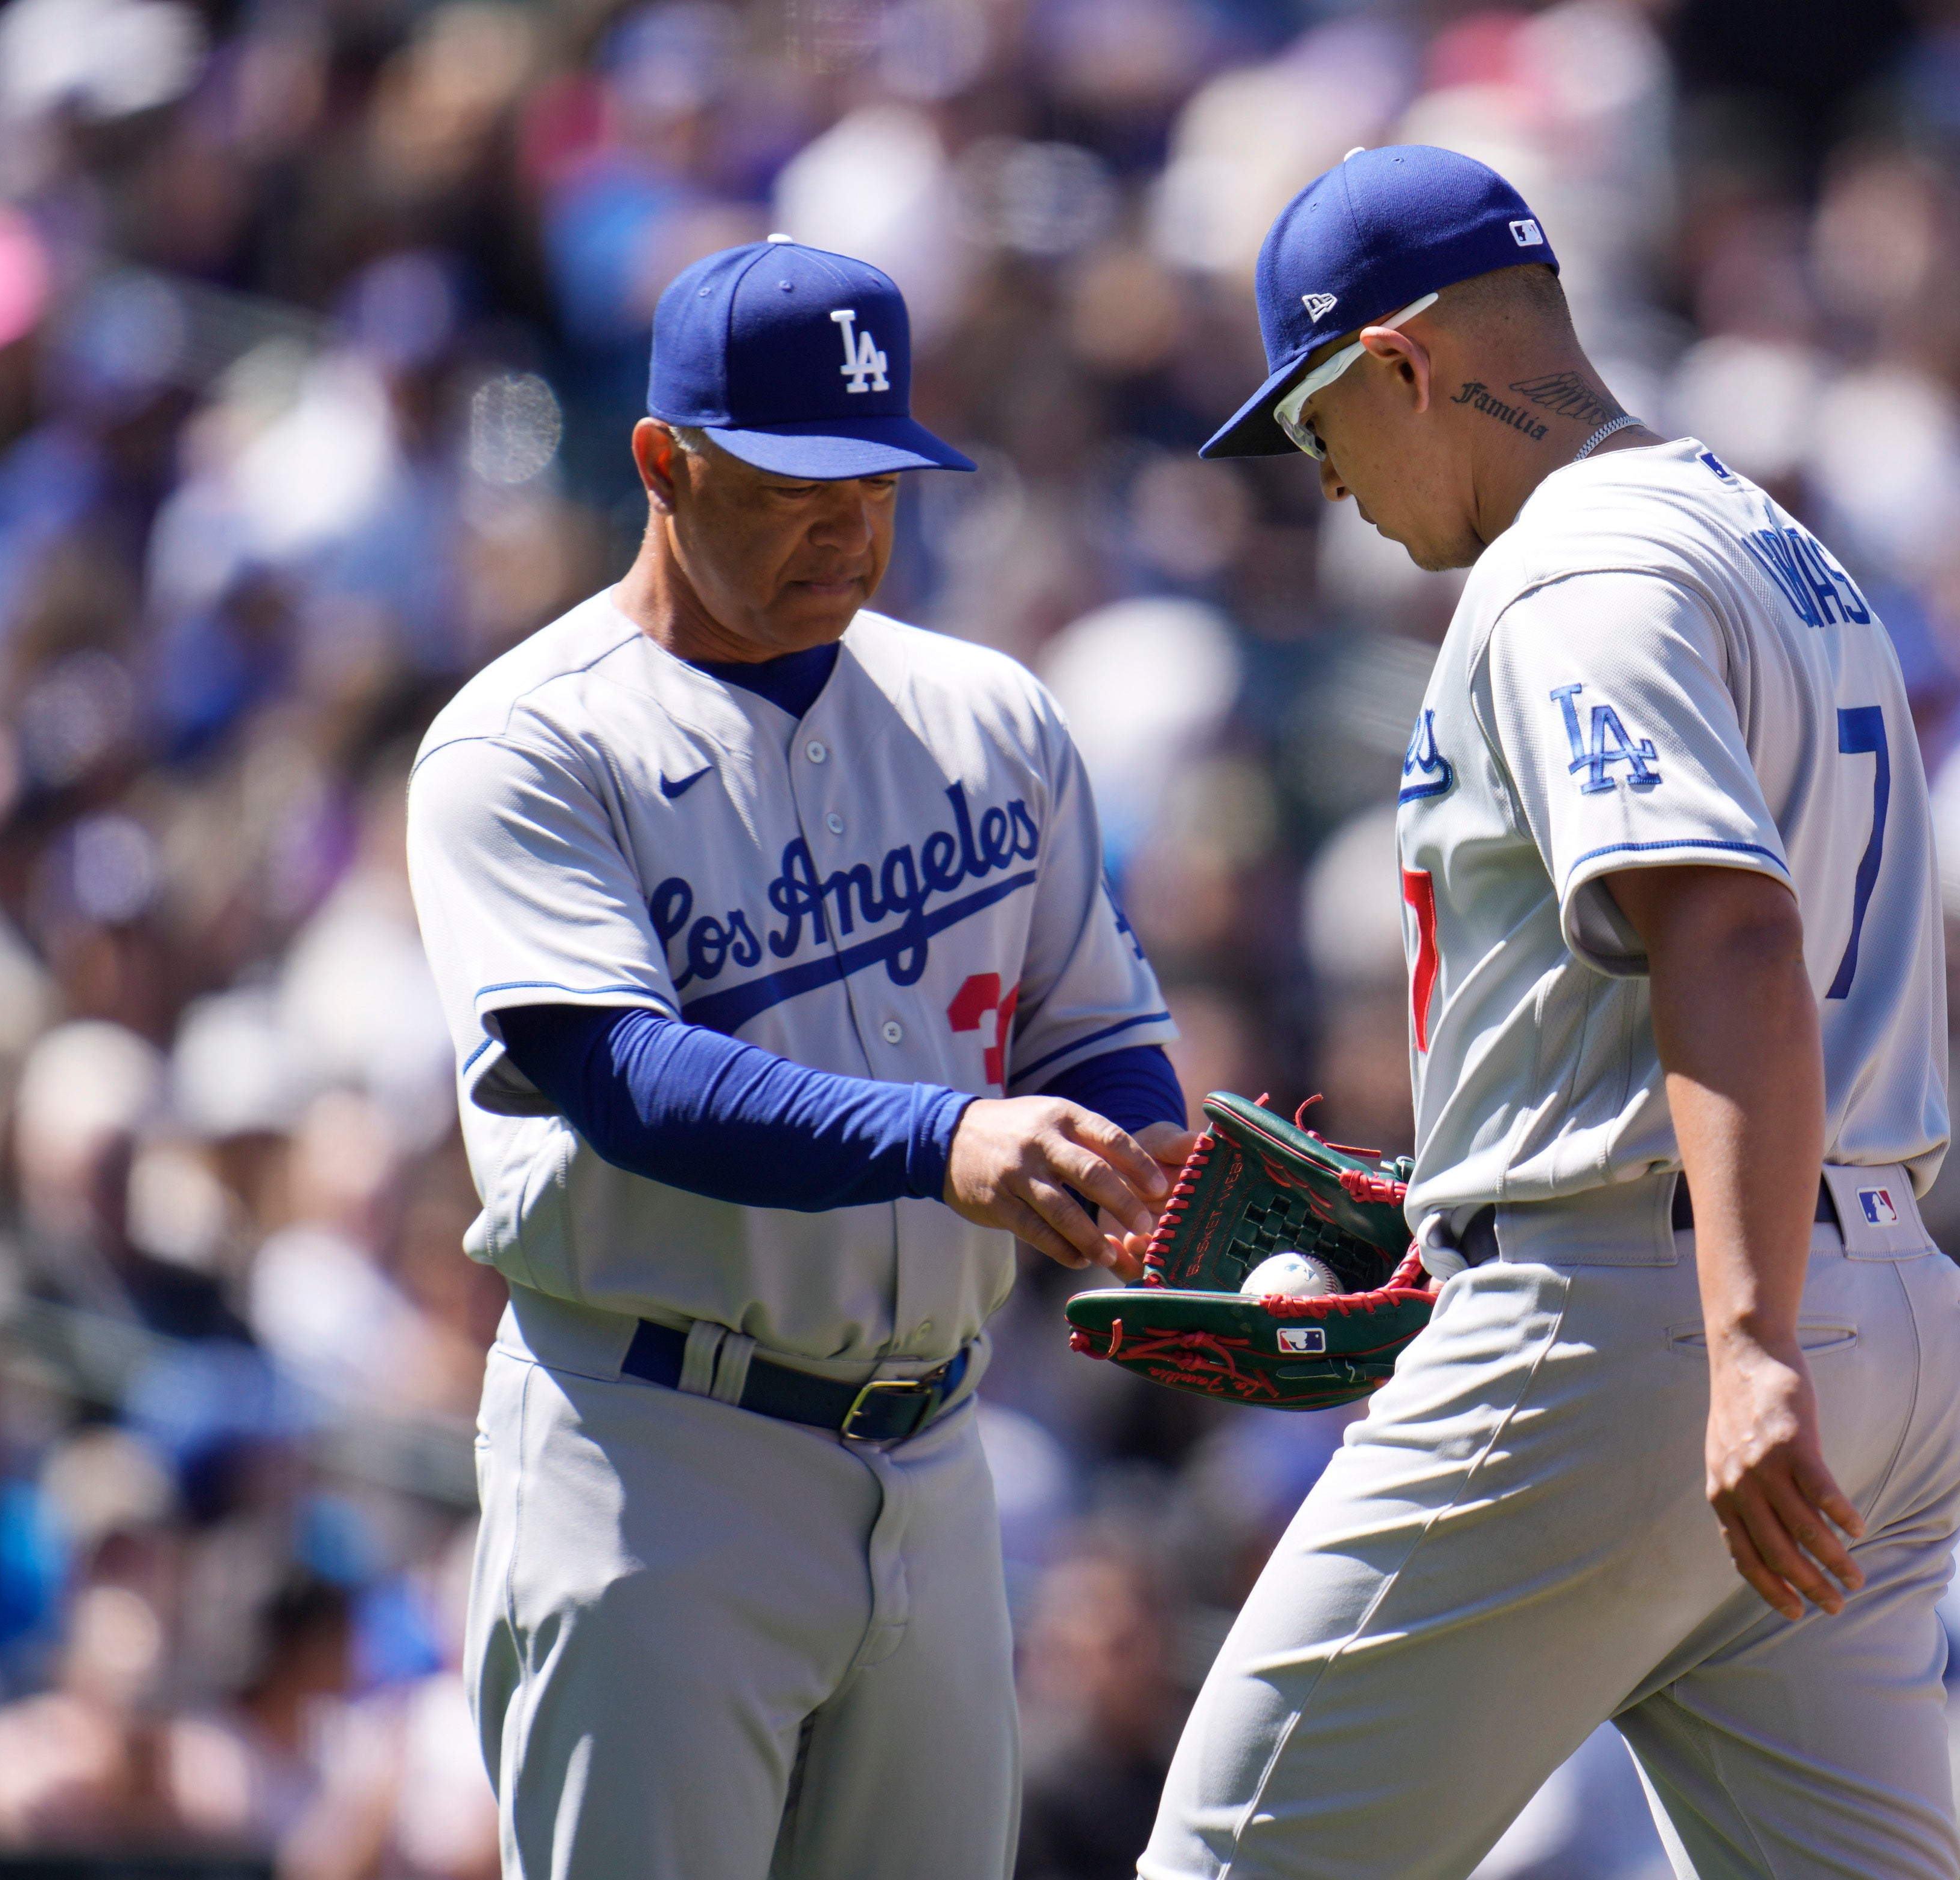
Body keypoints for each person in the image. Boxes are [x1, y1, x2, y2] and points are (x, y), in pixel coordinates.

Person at [1142, 146, 1960, 1878]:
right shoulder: (1769, 540)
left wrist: (1732, 1333)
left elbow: (1731, 934)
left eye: (1317, 430)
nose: (1328, 484)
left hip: (1658, 1322)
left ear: (1398, 364)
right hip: (1882, 1300)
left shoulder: (1565, 573)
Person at [404, 238, 1192, 1880]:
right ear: (660, 462)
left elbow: (1098, 1035)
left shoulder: (992, 715)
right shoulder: (527, 742)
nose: (851, 524)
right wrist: (948, 1143)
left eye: (880, 479)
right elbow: (627, 1081)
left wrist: (1176, 1199)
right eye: (794, 482)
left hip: (940, 1450)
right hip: (657, 1453)